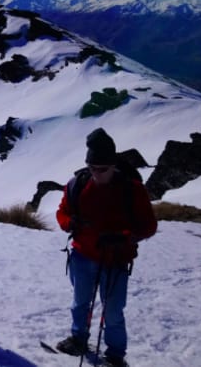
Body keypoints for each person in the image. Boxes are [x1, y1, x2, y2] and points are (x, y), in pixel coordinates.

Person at [55, 128, 157, 367]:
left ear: (114, 165)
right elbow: (62, 213)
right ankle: (78, 338)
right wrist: (70, 223)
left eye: (102, 169)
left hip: (115, 259)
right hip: (82, 255)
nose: (96, 174)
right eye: (92, 169)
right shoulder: (77, 185)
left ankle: (115, 356)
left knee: (112, 311)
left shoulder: (132, 190)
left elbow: (149, 226)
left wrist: (124, 237)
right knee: (80, 302)